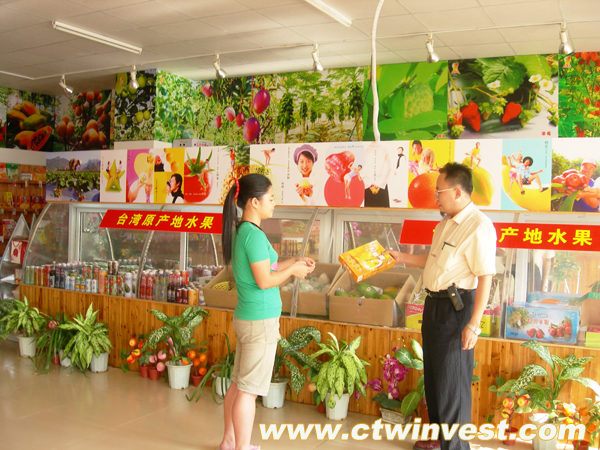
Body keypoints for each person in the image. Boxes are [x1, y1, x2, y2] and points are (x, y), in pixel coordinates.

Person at [384, 162, 496, 450]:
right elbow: (432, 261)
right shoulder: (445, 224)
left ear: (457, 192)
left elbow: (486, 277)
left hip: (457, 309)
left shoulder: (478, 226)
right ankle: (440, 440)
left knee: (452, 384)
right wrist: (401, 257)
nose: (435, 198)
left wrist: (474, 324)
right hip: (434, 305)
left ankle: (455, 446)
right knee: (435, 378)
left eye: (439, 192)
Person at [220, 174, 315, 450]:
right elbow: (265, 280)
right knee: (248, 392)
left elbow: (266, 268)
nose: (274, 204)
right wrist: (293, 271)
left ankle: (229, 442)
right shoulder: (254, 235)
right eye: (271, 198)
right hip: (259, 321)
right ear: (254, 202)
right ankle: (241, 447)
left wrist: (294, 261)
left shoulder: (243, 231)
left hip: (248, 317)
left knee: (239, 385)